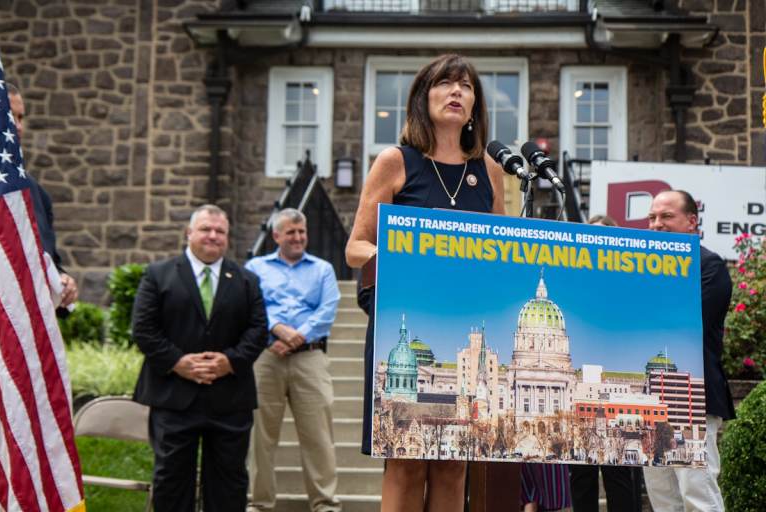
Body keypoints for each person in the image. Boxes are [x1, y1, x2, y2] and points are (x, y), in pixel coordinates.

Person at [345, 54, 507, 512]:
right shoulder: (397, 161)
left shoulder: (489, 171)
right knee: (406, 457)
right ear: (424, 97)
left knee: (454, 459)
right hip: (407, 322)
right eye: (446, 83)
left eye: (466, 86)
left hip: (465, 323)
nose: (457, 91)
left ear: (474, 106)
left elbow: (501, 252)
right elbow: (355, 246)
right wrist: (402, 260)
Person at [131, 204, 269, 512]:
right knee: (171, 480)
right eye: (206, 229)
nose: (213, 236)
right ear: (189, 233)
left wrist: (229, 361)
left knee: (229, 482)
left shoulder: (247, 280)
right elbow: (143, 328)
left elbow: (259, 330)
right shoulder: (158, 275)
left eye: (220, 231)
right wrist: (179, 363)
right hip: (173, 398)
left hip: (230, 399)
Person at [642, 190, 734, 512]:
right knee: (662, 497)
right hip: (650, 401)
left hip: (691, 399)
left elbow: (685, 324)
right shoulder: (640, 270)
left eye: (666, 216)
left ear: (691, 222)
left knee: (697, 494)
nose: (656, 224)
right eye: (652, 217)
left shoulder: (709, 267)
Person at [245, 208, 341, 512]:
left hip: (309, 358)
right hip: (266, 358)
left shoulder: (323, 269)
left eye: (302, 232)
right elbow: (251, 304)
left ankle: (325, 504)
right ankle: (259, 503)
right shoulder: (255, 267)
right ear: (276, 236)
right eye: (291, 232)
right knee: (260, 436)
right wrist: (275, 327)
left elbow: (328, 309)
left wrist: (297, 335)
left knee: (319, 435)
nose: (298, 237)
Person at [566, 213, 643, 512]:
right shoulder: (574, 281)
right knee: (581, 475)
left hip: (613, 389)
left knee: (620, 473)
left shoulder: (624, 282)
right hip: (581, 389)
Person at [8, 83, 77, 308]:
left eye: (21, 117)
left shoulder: (37, 194)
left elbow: (48, 259)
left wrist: (63, 280)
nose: (18, 126)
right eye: (10, 116)